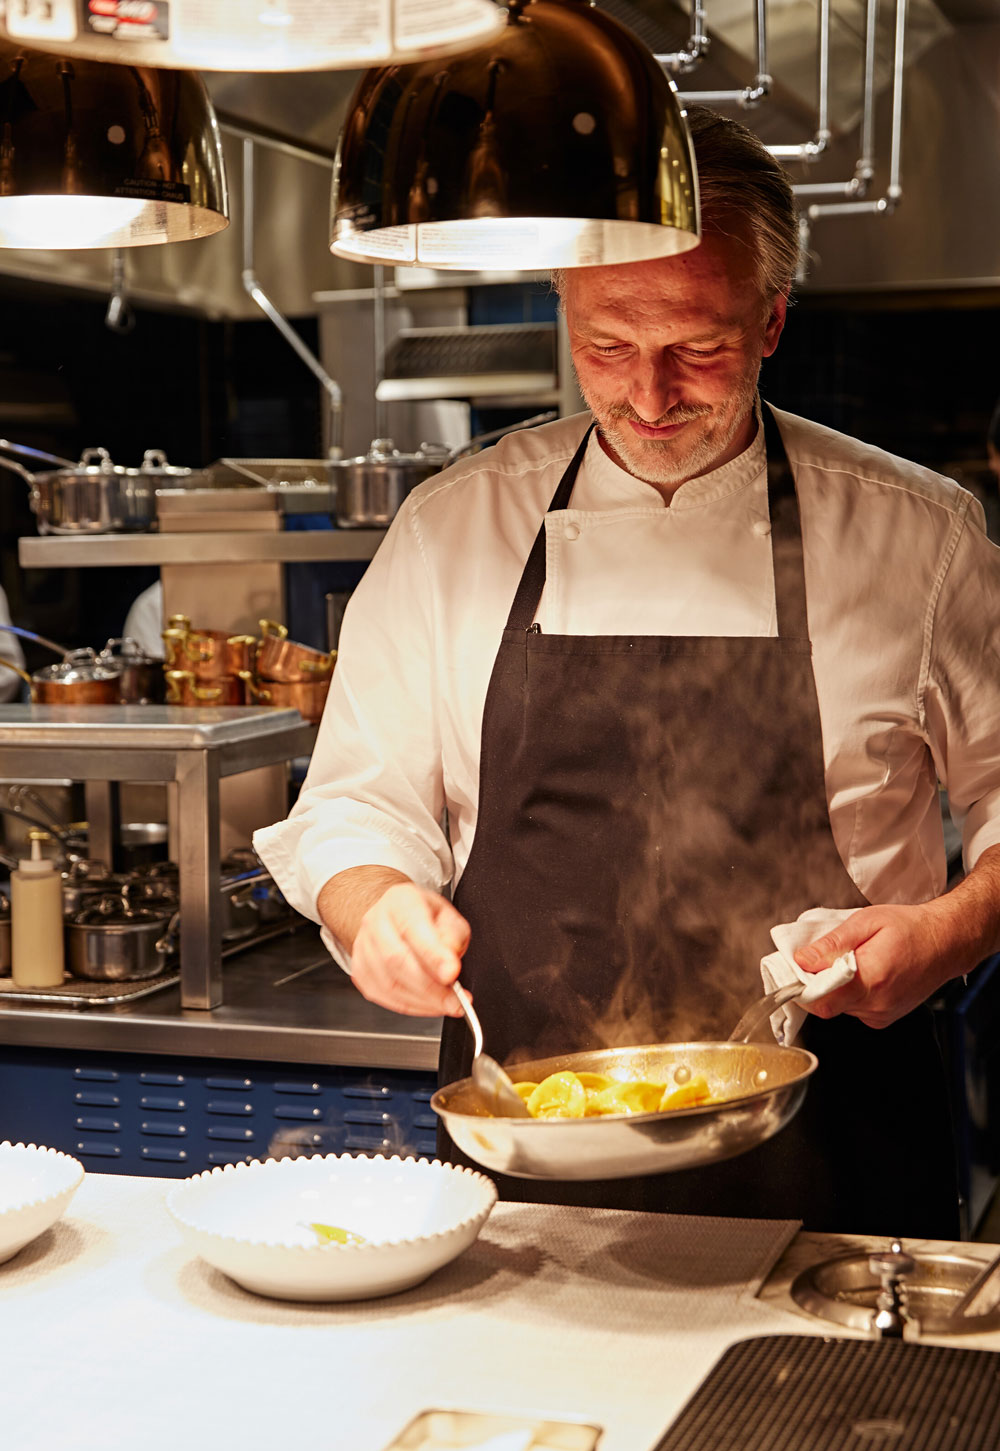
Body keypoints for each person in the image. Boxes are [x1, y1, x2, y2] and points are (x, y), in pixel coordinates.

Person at [254, 107, 1000, 1239]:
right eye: (606, 346)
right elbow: (354, 809)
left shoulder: (921, 538)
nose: (648, 398)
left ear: (770, 322)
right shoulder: (456, 528)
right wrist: (375, 909)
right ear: (563, 311)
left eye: (696, 348)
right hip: (525, 1157)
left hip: (837, 1154)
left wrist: (945, 932)